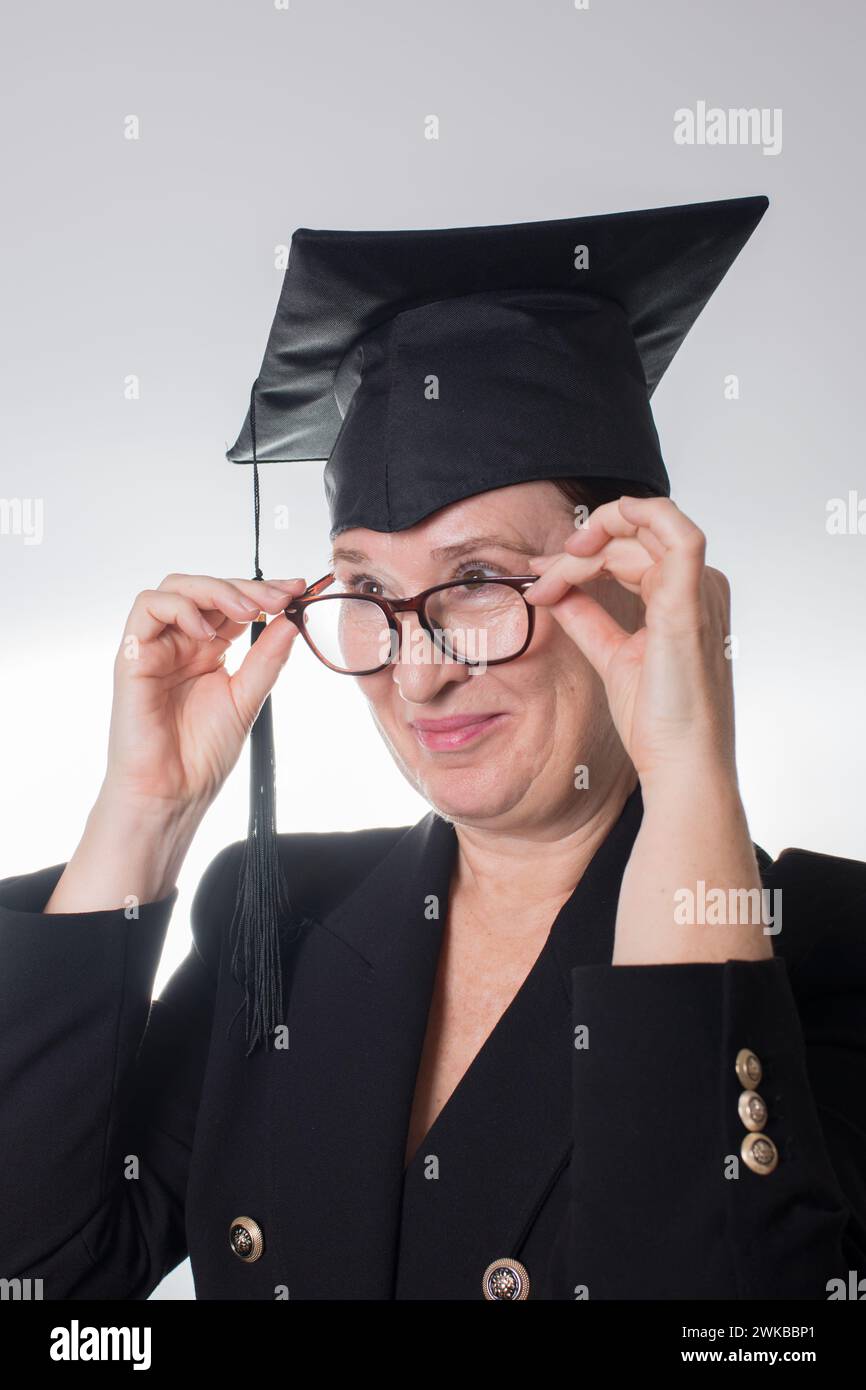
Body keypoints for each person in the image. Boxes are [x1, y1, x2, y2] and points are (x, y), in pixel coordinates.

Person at [1, 197, 864, 1301]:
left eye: (474, 582)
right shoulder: (278, 916)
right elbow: (37, 1277)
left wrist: (691, 762)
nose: (417, 671)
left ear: (625, 581)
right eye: (368, 590)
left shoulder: (819, 959)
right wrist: (144, 806)